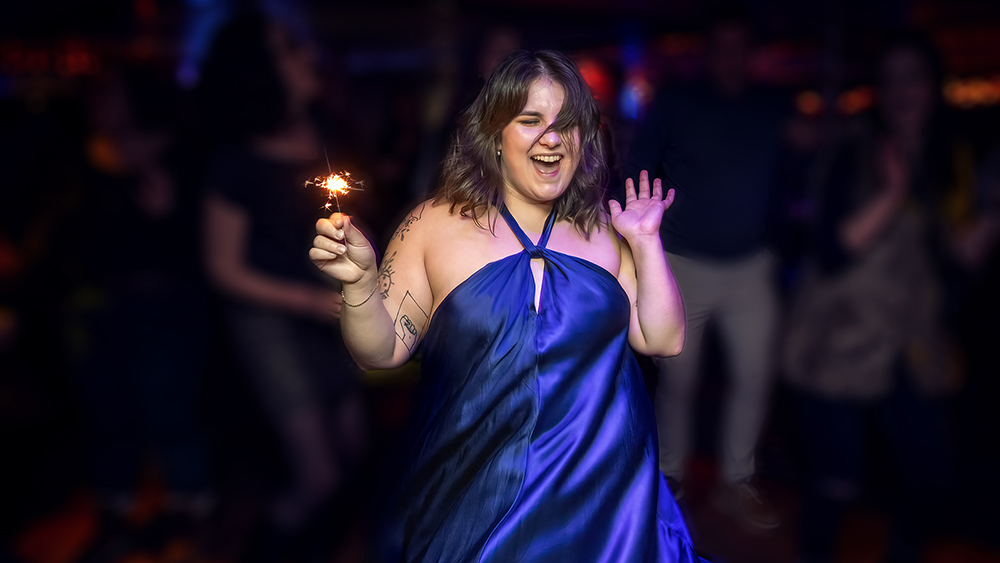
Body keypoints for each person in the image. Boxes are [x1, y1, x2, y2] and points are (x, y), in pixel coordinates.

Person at [311, 50, 706, 562]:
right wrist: (360, 286)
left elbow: (664, 338)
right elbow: (379, 352)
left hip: (608, 494)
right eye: (531, 121)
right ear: (494, 134)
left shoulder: (605, 231)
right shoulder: (434, 225)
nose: (552, 138)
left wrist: (647, 241)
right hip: (480, 489)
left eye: (567, 124)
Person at [783, 33, 980, 563]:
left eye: (913, 77)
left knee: (931, 476)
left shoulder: (948, 157)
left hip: (908, 343)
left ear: (934, 88)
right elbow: (830, 250)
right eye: (891, 79)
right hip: (838, 336)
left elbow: (955, 256)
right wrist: (892, 195)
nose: (901, 90)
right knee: (837, 482)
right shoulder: (853, 150)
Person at [198, 13, 366, 543]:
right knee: (318, 474)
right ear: (259, 72)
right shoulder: (234, 161)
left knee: (357, 447)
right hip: (270, 320)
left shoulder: (325, 131)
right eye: (289, 51)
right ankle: (268, 544)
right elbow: (222, 267)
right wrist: (306, 301)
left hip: (329, 303)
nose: (306, 58)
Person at [624, 3, 787, 529]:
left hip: (750, 264)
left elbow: (794, 172)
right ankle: (670, 478)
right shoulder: (675, 102)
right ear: (706, 54)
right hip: (681, 263)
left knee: (756, 376)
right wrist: (639, 252)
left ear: (752, 55)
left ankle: (735, 482)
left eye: (741, 48)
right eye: (721, 48)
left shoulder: (770, 105)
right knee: (680, 380)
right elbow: (638, 171)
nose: (731, 59)